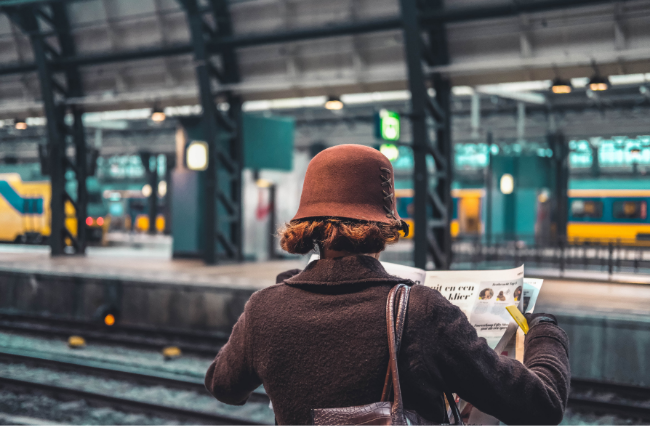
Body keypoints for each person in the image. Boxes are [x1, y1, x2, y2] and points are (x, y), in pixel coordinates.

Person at [204, 144, 570, 425]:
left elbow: (223, 385)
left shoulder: (265, 309)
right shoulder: (421, 311)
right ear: (384, 229)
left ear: (309, 227)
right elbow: (542, 406)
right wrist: (544, 332)